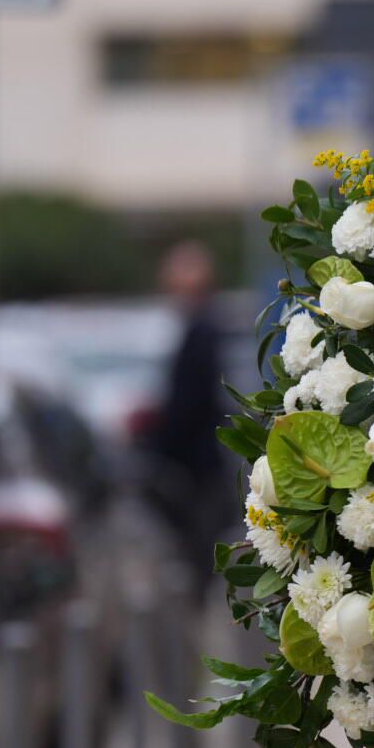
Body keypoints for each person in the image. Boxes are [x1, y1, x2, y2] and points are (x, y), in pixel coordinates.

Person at [147, 241, 228, 585]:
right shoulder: (203, 328)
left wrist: (158, 441)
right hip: (201, 460)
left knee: (198, 555)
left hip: (196, 465)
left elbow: (189, 404)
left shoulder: (201, 331)